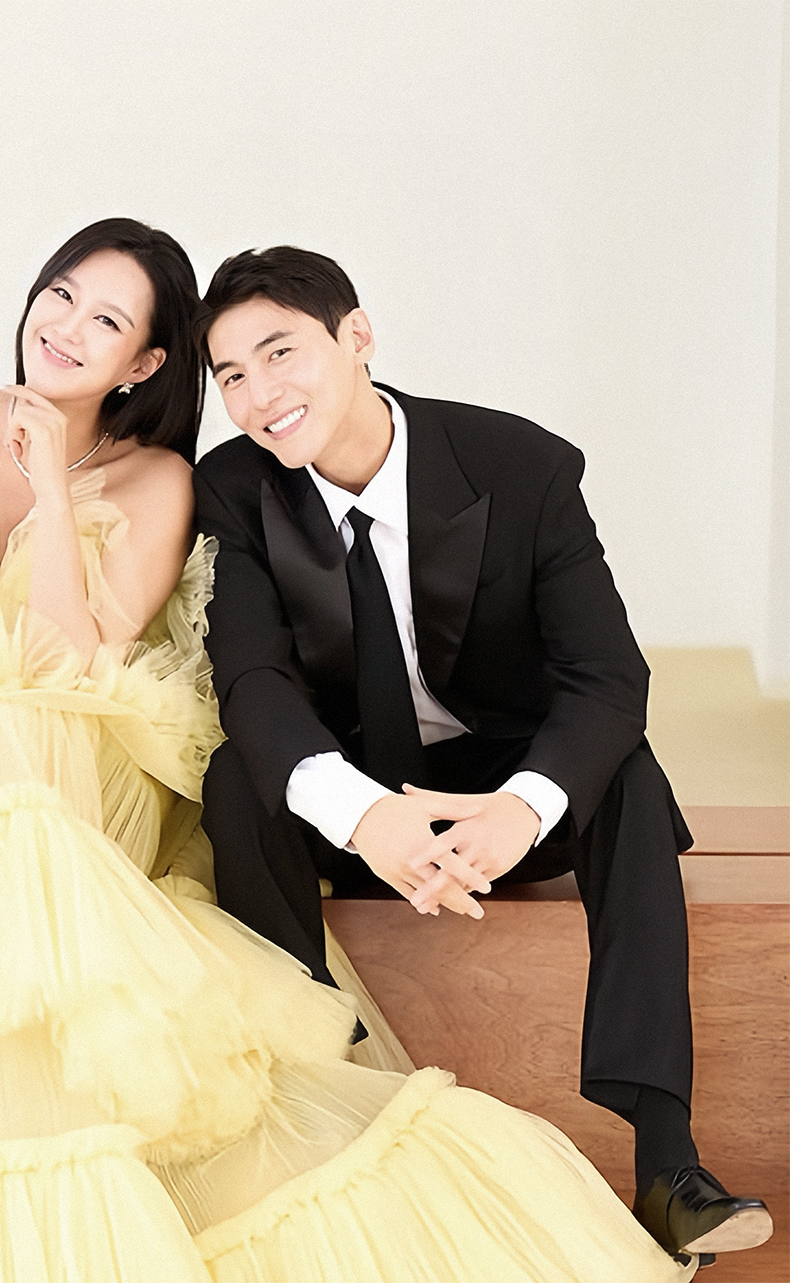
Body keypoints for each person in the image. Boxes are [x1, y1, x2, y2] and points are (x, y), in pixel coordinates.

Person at [0, 217, 698, 1283]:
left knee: (8, 730)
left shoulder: (169, 478)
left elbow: (68, 660)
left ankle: (667, 1151)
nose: (67, 327)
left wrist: (49, 485)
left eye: (108, 320)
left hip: (60, 750)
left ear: (146, 363)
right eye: (61, 295)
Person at [192, 244, 774, 1270]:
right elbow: (253, 682)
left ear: (358, 336)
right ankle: (321, 1123)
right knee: (237, 778)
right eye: (231, 375)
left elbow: (607, 676)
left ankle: (669, 1162)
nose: (259, 394)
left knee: (630, 776)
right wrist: (364, 814)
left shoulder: (520, 464)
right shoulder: (235, 488)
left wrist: (523, 807)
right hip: (357, 800)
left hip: (498, 783)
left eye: (280, 353)